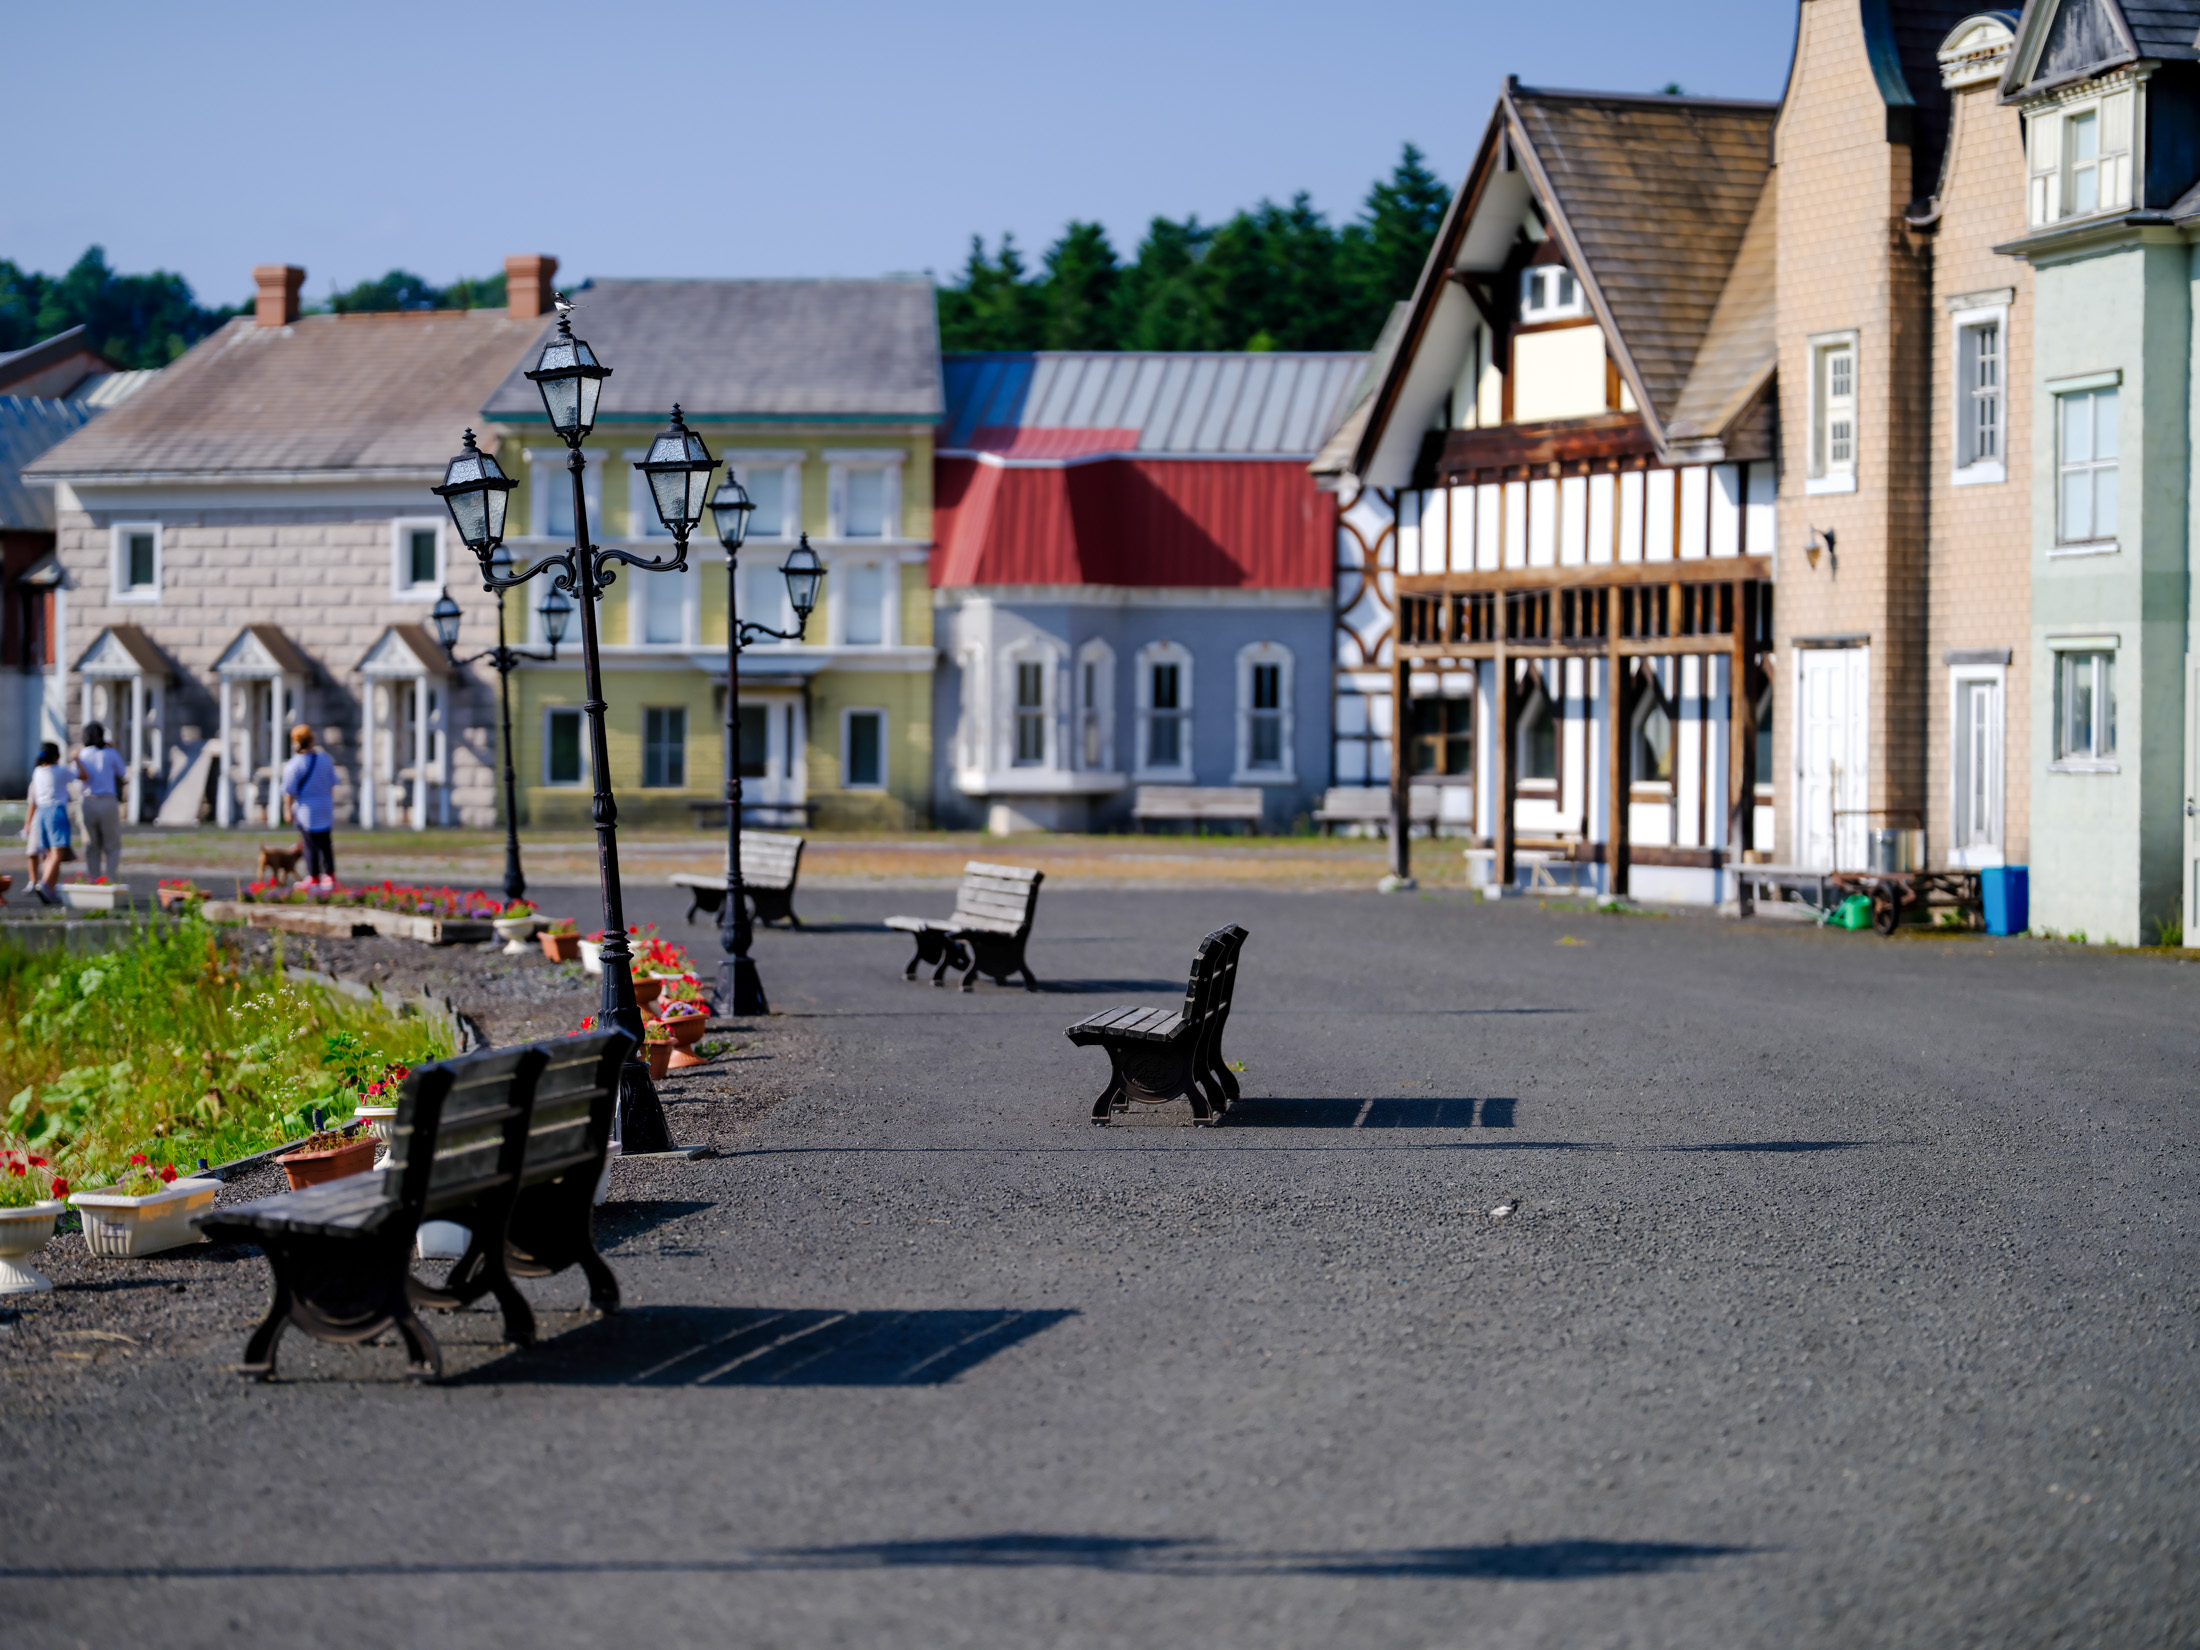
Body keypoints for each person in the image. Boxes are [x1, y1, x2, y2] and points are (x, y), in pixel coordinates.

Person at [280, 725, 338, 889]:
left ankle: (314, 876)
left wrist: (287, 810)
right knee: (326, 843)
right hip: (325, 806)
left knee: (310, 844)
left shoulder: (295, 764)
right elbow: (332, 784)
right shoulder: (325, 759)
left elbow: (289, 791)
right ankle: (330, 875)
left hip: (307, 810)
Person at [75, 721, 128, 883]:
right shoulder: (110, 753)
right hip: (107, 801)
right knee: (112, 845)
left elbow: (76, 779)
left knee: (92, 845)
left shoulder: (82, 755)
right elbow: (123, 773)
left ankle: (94, 879)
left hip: (88, 801)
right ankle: (110, 879)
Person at [24, 742, 71, 904]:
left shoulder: (37, 771)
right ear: (57, 756)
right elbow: (82, 775)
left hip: (41, 813)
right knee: (58, 852)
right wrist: (77, 759)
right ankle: (44, 884)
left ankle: (49, 889)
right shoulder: (59, 770)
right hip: (56, 811)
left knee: (49, 854)